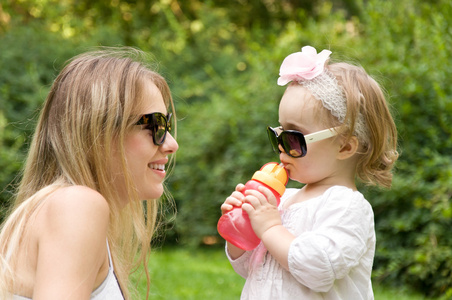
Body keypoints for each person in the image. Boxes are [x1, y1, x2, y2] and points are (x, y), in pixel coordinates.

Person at [221, 46, 398, 299]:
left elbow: (318, 269)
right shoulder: (284, 200)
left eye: (293, 138)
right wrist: (242, 228)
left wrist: (270, 227)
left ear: (345, 146)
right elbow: (250, 269)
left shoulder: (347, 207)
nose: (281, 148)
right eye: (278, 135)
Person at [0, 47, 179, 299]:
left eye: (167, 125)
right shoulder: (77, 205)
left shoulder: (61, 206)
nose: (171, 144)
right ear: (100, 131)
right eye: (157, 125)